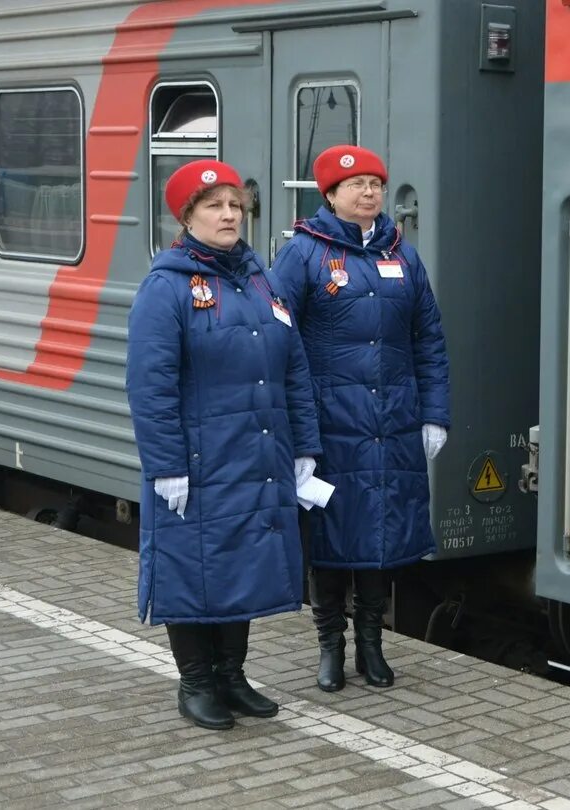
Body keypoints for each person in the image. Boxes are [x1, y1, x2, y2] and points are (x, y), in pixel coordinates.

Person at [126, 159, 321, 730]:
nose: (229, 214)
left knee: (242, 564)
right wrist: (165, 464)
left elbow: (295, 368)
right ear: (188, 217)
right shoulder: (166, 288)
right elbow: (150, 384)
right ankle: (196, 683)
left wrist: (304, 446)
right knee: (191, 565)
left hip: (257, 453)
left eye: (235, 205)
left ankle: (233, 675)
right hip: (196, 460)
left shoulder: (261, 279)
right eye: (214, 205)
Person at [273, 144, 451, 692]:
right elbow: (279, 342)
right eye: (356, 185)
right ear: (329, 194)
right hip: (331, 425)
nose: (369, 192)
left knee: (381, 535)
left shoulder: (404, 256)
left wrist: (434, 415)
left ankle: (372, 644)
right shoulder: (303, 254)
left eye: (375, 183)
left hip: (393, 421)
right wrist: (296, 430)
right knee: (331, 537)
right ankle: (331, 646)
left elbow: (430, 341)